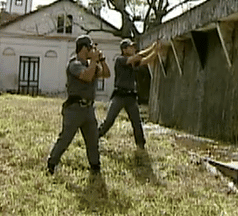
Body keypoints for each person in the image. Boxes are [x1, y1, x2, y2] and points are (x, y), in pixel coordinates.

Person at [47, 35, 111, 175]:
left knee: (93, 140)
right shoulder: (74, 64)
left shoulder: (91, 65)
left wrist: (102, 60)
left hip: (88, 109)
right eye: (90, 48)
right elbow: (87, 77)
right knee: (66, 139)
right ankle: (51, 163)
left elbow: (106, 74)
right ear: (83, 48)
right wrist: (94, 61)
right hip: (74, 109)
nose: (92, 50)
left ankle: (95, 166)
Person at [98, 39, 159, 149]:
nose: (133, 49)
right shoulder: (120, 60)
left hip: (131, 97)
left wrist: (156, 51)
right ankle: (95, 137)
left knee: (137, 122)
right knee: (109, 121)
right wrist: (152, 47)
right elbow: (138, 56)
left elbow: (145, 61)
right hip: (119, 95)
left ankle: (141, 145)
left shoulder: (132, 61)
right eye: (130, 47)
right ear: (124, 50)